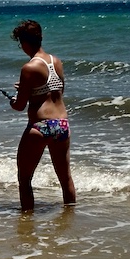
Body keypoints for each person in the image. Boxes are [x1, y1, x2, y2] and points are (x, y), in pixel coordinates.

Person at [8, 20, 76, 209]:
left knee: (25, 180)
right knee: (66, 179)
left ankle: (27, 226)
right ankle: (70, 222)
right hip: (61, 125)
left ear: (24, 42)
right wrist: (28, 90)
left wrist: (14, 99)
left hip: (40, 126)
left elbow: (20, 106)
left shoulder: (29, 67)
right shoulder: (56, 61)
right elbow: (56, 92)